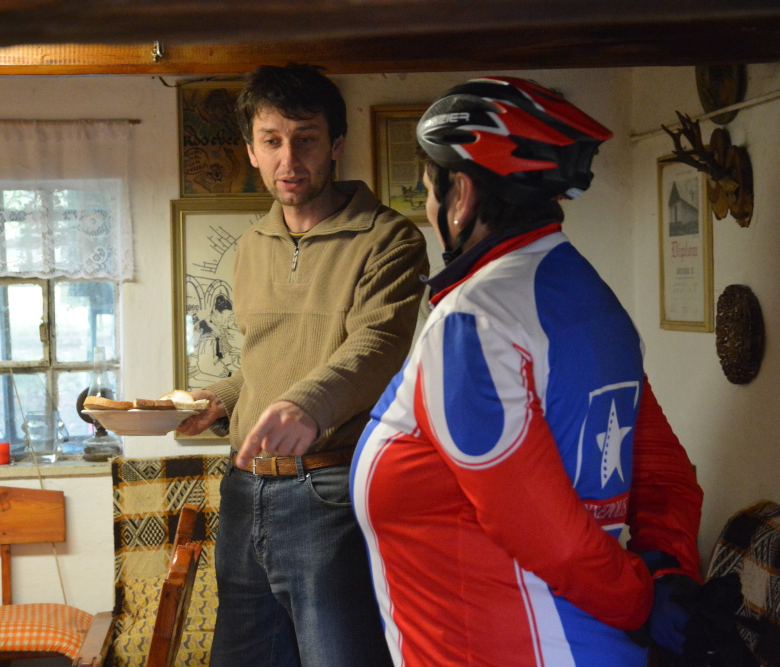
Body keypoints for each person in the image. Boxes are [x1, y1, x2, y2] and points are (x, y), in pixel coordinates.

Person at [351, 76, 704, 666]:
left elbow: (551, 540)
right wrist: (667, 575)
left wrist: (646, 603)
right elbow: (666, 476)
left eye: (429, 191)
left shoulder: (476, 323)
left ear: (461, 194)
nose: (430, 211)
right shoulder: (593, 301)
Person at [177, 63, 428, 666]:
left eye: (305, 139)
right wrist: (221, 399)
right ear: (252, 151)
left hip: (329, 490)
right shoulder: (251, 246)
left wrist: (306, 405)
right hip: (243, 490)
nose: (289, 159)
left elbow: (375, 347)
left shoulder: (388, 239)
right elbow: (266, 358)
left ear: (335, 144)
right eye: (272, 141)